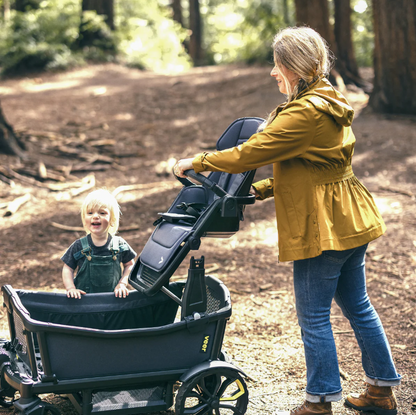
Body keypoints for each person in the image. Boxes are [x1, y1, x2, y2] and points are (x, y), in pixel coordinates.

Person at [174, 26, 401, 415]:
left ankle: (319, 401)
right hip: (349, 216)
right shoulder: (327, 98)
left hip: (323, 226)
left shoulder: (304, 112)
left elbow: (250, 152)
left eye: (277, 65)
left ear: (293, 67)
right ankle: (381, 391)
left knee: (314, 316)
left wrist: (196, 161)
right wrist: (262, 191)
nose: (272, 72)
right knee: (358, 305)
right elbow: (312, 166)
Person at [61, 189, 137, 299]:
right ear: (84, 219)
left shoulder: (119, 244)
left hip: (113, 302)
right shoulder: (79, 246)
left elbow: (130, 265)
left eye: (102, 213)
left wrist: (122, 283)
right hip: (84, 303)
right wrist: (71, 288)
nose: (96, 216)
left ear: (112, 219)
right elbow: (67, 268)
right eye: (90, 213)